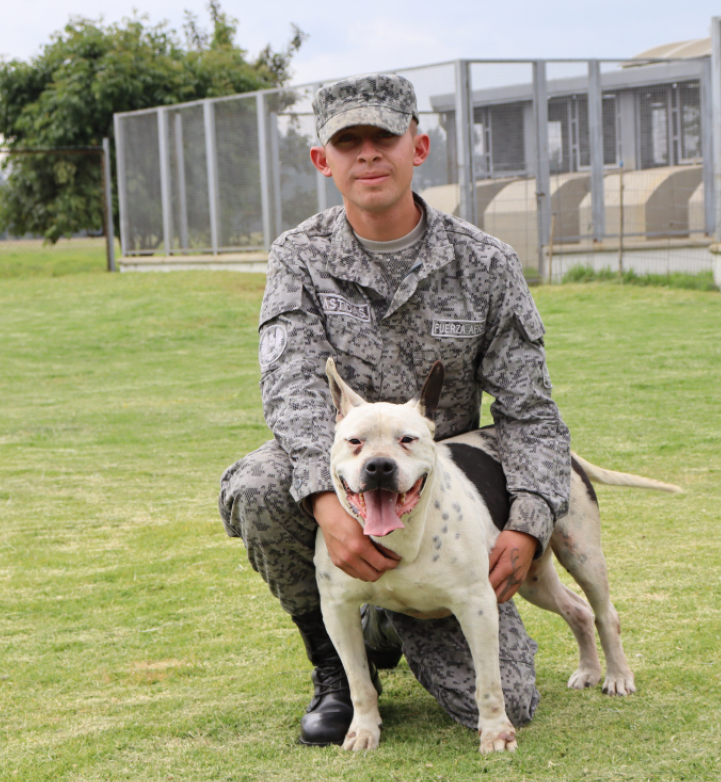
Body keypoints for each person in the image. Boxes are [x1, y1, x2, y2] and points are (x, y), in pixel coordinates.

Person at [218, 72, 571, 746]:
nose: (368, 153)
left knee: (509, 705)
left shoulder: (484, 263)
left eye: (383, 136)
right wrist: (328, 505)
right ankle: (335, 663)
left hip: (448, 496)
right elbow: (291, 388)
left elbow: (532, 412)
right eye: (347, 141)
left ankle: (396, 617)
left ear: (420, 146)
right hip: (348, 474)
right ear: (323, 161)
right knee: (260, 487)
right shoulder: (301, 258)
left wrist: (527, 524)